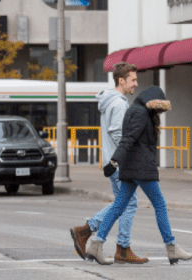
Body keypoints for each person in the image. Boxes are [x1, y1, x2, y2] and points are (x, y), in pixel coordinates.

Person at [85, 85, 192, 265]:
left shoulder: (134, 110)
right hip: (141, 167)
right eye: (158, 109)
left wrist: (117, 162)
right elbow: (128, 138)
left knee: (118, 206)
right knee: (160, 204)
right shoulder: (141, 113)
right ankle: (172, 247)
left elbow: (129, 138)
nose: (158, 113)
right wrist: (114, 162)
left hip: (131, 168)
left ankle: (96, 244)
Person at [71, 62, 146, 263]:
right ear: (121, 80)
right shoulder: (119, 103)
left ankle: (91, 233)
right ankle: (114, 243)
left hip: (113, 162)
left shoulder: (111, 101)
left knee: (123, 203)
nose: (136, 84)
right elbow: (117, 133)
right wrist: (129, 157)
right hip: (120, 164)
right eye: (133, 80)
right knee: (128, 203)